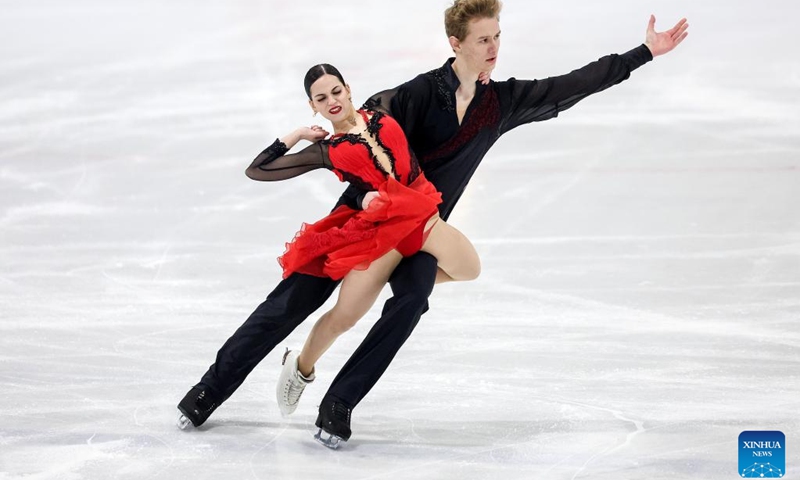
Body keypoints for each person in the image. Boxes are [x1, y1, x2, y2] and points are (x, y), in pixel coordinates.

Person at [177, 0, 689, 448]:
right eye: (483, 39)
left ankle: (338, 404)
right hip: (354, 222)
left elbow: (571, 84)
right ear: (456, 43)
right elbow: (365, 122)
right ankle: (209, 390)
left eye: (497, 38)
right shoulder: (419, 93)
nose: (493, 47)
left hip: (419, 230)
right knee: (288, 304)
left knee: (411, 300)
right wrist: (320, 138)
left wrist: (642, 53)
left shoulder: (500, 105)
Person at [241, 64, 481, 438]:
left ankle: (395, 275)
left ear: (348, 89)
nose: (332, 101)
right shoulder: (326, 150)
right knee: (344, 318)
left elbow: (435, 88)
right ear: (313, 105)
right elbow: (259, 170)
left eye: (336, 91)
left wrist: (470, 74)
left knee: (470, 269)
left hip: (422, 218)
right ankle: (300, 366)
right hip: (381, 237)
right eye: (321, 98)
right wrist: (298, 135)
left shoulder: (384, 109)